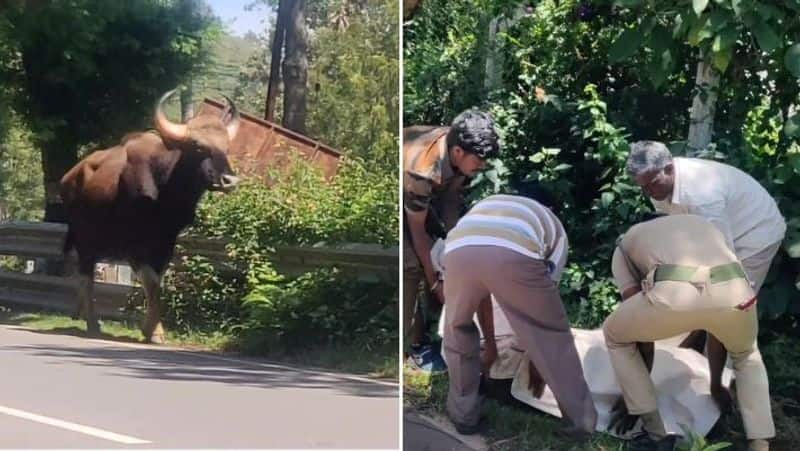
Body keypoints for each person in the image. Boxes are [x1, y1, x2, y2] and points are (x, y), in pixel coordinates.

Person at [626, 140, 785, 408]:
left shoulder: (703, 196)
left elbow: (723, 265)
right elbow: (680, 235)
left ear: (669, 168)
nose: (649, 192)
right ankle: (699, 341)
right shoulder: (659, 189)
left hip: (756, 234)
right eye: (642, 186)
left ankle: (727, 382)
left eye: (652, 183)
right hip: (727, 233)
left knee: (729, 307)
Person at [603, 214, 774, 451]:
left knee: (615, 335)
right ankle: (760, 443)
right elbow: (716, 328)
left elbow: (639, 336)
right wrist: (715, 385)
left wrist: (633, 396)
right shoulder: (700, 225)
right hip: (737, 289)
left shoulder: (623, 249)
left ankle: (656, 434)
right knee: (746, 354)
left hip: (675, 293)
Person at [440, 191, 597, 437]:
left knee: (457, 328)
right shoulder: (552, 226)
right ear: (551, 209)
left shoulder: (488, 205)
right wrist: (537, 363)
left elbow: (482, 300)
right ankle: (581, 423)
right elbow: (540, 319)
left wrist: (489, 346)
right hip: (515, 251)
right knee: (553, 335)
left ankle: (464, 415)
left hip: (458, 249)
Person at [403, 110, 499, 373]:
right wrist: (435, 283)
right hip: (401, 191)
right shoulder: (422, 171)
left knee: (444, 253)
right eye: (479, 161)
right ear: (458, 152)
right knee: (411, 266)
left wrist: (456, 245)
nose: (482, 166)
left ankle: (434, 324)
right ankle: (413, 344)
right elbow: (417, 232)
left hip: (424, 197)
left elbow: (451, 201)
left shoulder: (460, 149)